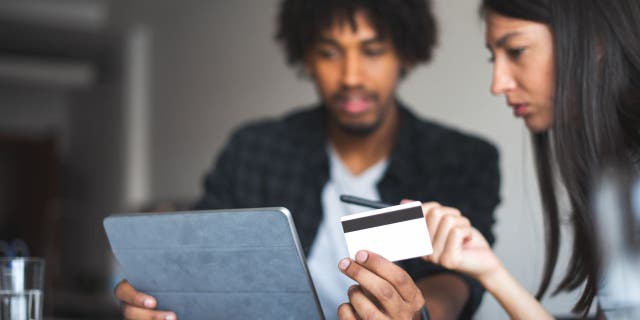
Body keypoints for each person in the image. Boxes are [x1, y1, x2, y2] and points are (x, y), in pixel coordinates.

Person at [114, 0, 501, 319]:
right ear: (307, 59)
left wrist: (418, 314)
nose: (351, 76)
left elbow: (459, 275)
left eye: (372, 51)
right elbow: (203, 257)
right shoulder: (255, 150)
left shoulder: (460, 158)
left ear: (406, 55)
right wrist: (163, 294)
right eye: (329, 53)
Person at [336, 0, 640, 319]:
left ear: (595, 44)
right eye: (494, 57)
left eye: (517, 51)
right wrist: (490, 270)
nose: (498, 84)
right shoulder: (615, 173)